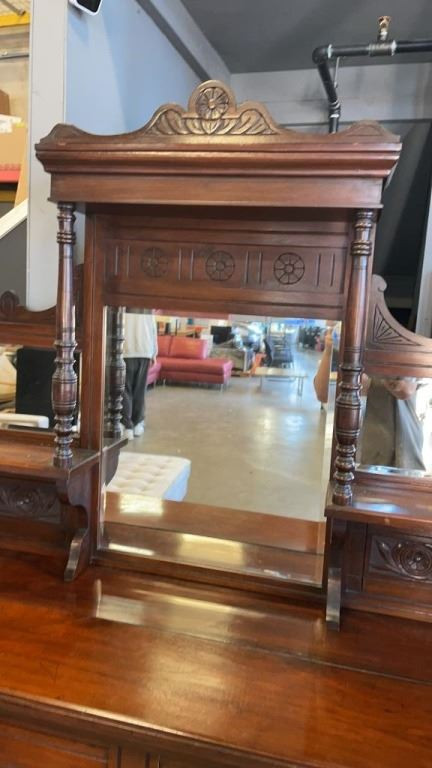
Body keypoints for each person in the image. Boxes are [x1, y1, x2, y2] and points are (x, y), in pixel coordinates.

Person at [313, 327, 426, 471]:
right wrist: (329, 349)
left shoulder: (399, 342)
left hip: (396, 454)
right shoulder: (343, 342)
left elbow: (405, 390)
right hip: (351, 453)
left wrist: (375, 373)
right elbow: (322, 394)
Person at [122, 309, 158, 440]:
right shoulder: (147, 306)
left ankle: (127, 427)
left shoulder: (122, 303)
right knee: (139, 390)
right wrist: (154, 352)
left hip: (125, 350)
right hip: (145, 350)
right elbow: (153, 329)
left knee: (125, 390)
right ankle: (137, 424)